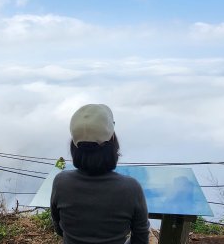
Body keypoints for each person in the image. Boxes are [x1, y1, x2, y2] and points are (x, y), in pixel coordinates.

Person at [51, 104, 150, 244]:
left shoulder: (61, 182)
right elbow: (140, 239)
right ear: (113, 143)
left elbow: (60, 229)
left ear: (74, 147)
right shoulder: (131, 188)